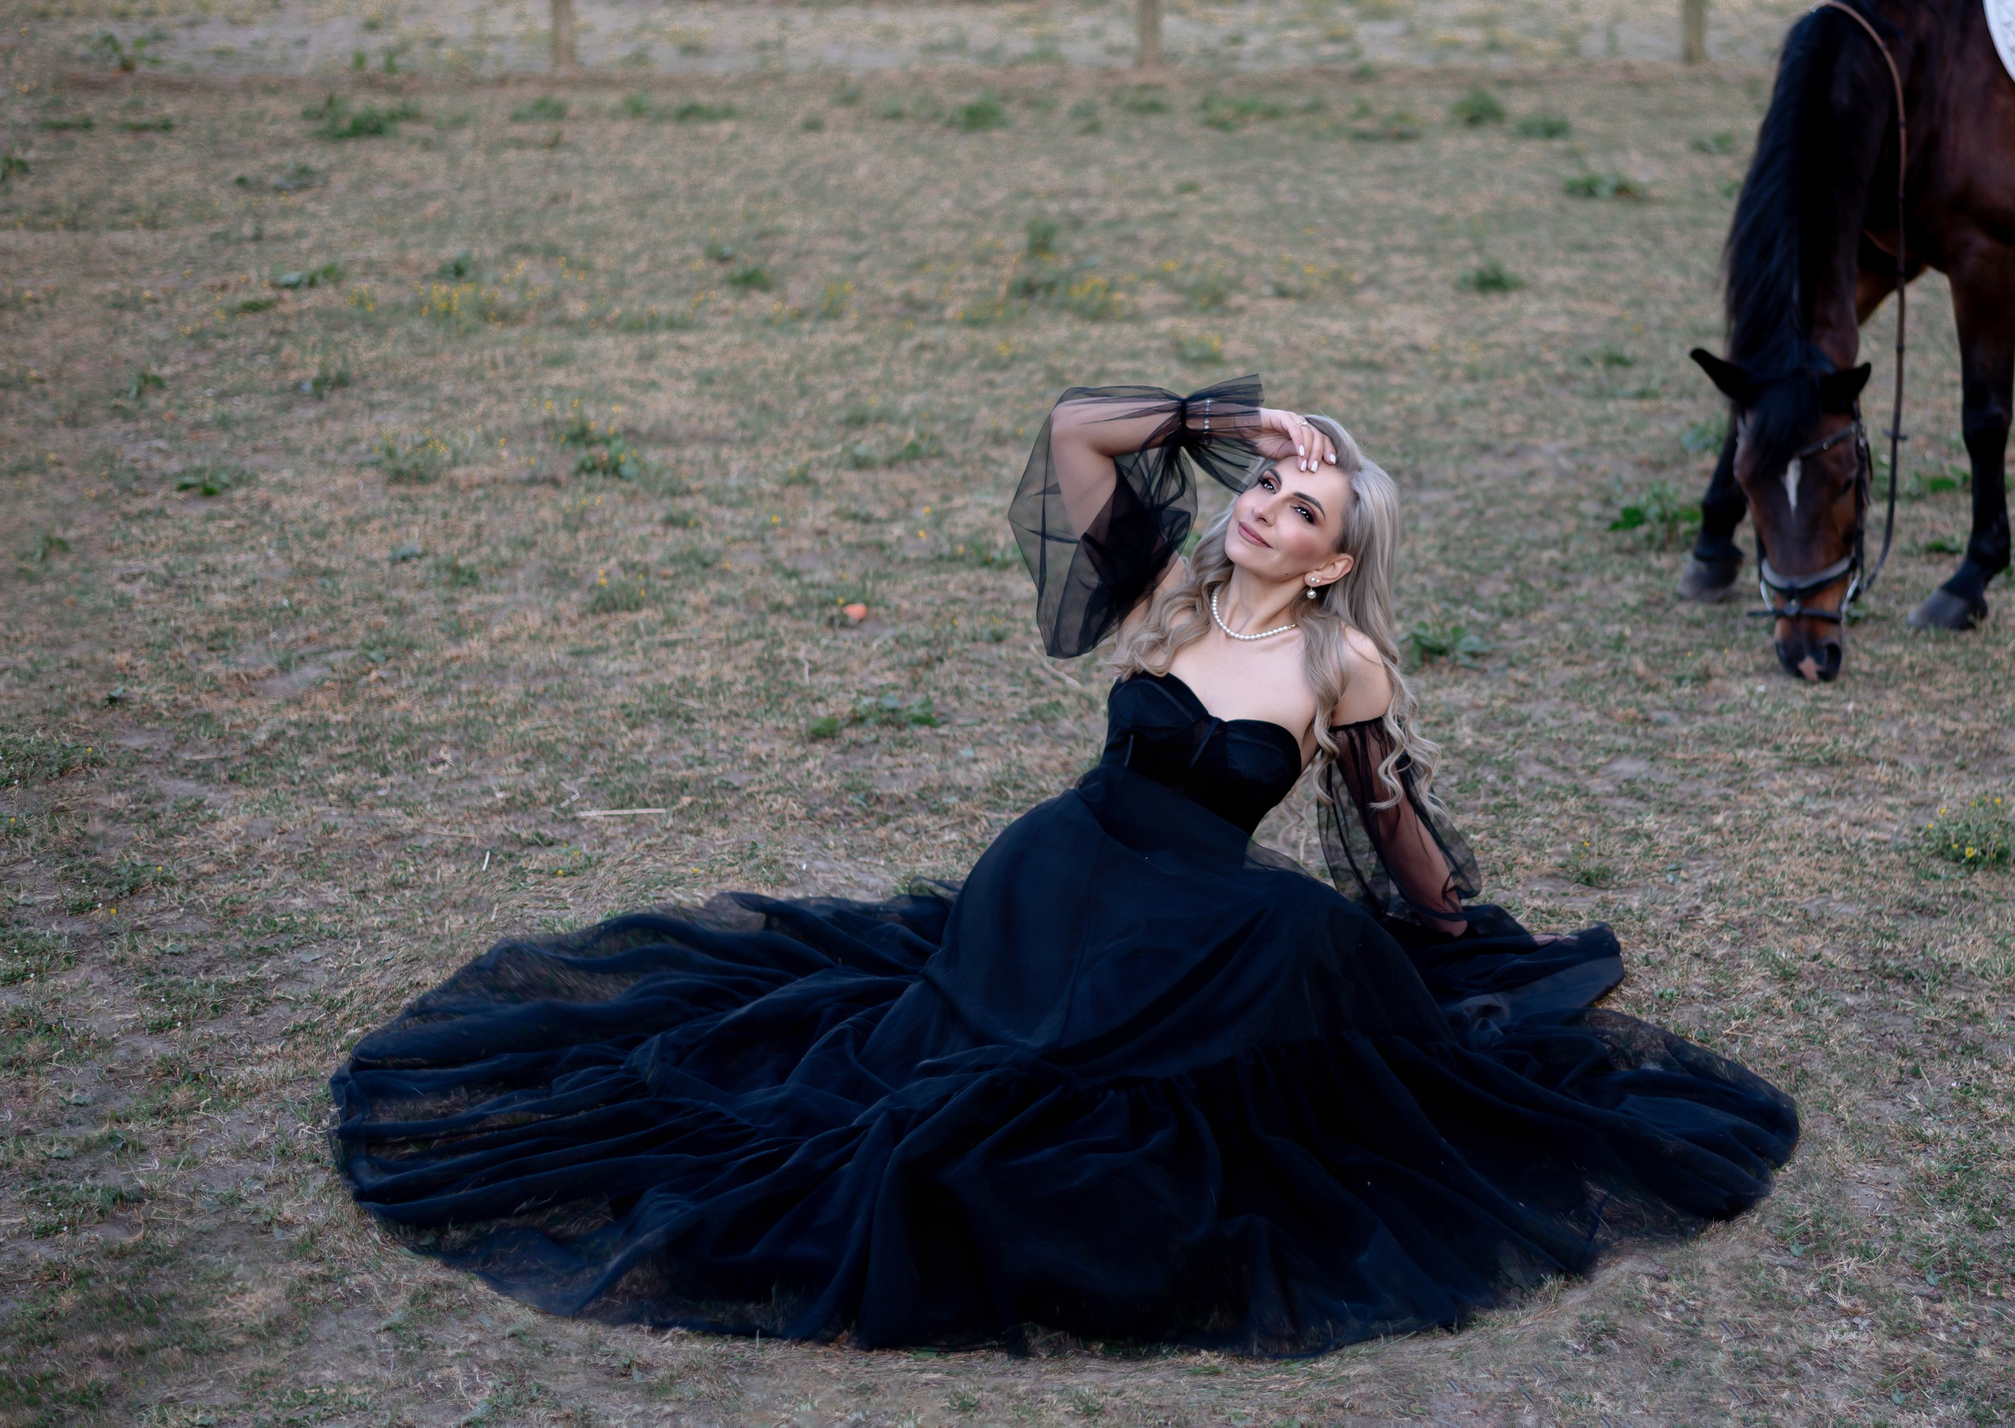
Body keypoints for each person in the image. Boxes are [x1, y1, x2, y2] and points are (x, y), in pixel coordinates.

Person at [332, 376, 1797, 1355]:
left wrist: (1447, 914)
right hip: (1057, 873)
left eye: (1300, 510)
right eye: (1264, 489)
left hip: (1201, 916)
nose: (1263, 508)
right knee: (943, 1076)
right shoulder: (1168, 588)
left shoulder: (1341, 663)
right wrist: (1234, 416)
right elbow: (1075, 434)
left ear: (1336, 561)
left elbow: (1383, 808)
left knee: (1296, 955)